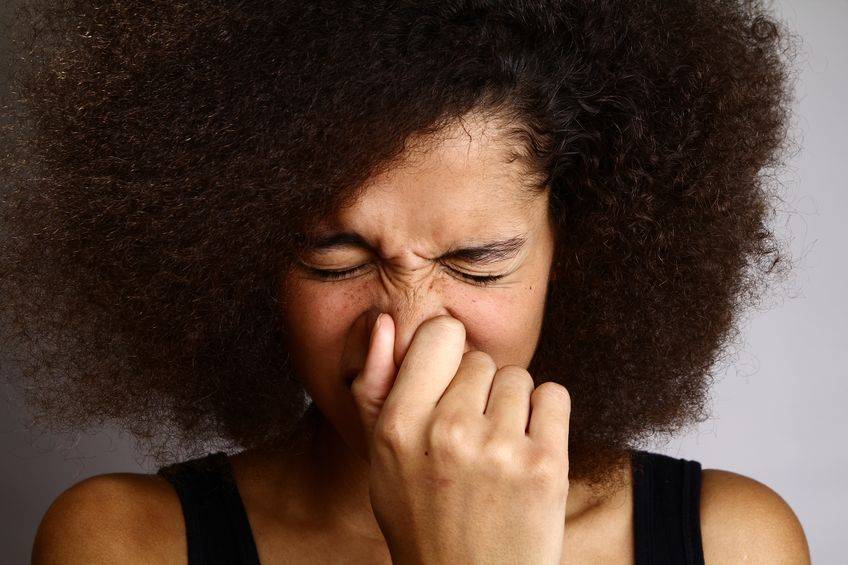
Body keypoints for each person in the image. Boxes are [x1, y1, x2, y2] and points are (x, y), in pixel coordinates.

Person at [0, 0, 809, 563]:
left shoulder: (732, 541)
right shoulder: (125, 541)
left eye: (476, 261)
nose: (411, 330)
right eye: (338, 257)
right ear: (243, 258)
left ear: (583, 251)